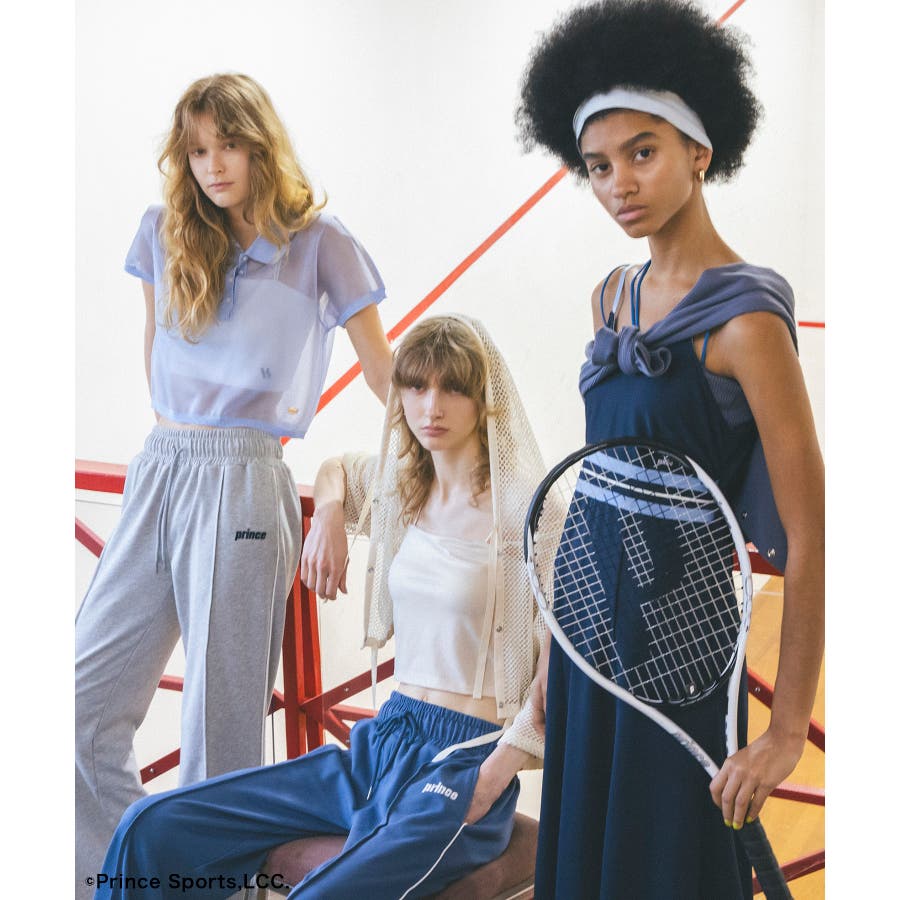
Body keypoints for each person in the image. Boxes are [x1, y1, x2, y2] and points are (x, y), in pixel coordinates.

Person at [516, 1, 825, 897]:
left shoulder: (748, 321)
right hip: (585, 633)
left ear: (699, 150)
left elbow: (811, 536)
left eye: (642, 152)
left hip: (681, 646)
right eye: (598, 165)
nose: (620, 183)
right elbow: (593, 495)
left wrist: (786, 731)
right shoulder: (609, 296)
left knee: (662, 864)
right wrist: (553, 650)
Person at [92, 315, 548, 899]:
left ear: (484, 398)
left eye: (453, 388)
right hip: (383, 742)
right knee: (150, 826)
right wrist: (328, 514)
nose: (431, 406)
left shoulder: (532, 514)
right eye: (415, 386)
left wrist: (492, 777)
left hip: (465, 758)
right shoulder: (401, 487)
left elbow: (556, 676)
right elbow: (337, 469)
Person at [75, 73, 393, 898]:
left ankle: (202, 890)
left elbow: (385, 377)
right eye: (197, 151)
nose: (213, 165)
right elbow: (155, 365)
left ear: (260, 145)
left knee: (219, 738)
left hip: (247, 477)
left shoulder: (321, 243)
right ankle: (135, 878)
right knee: (76, 708)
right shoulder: (163, 232)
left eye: (229, 145)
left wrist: (455, 467)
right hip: (160, 468)